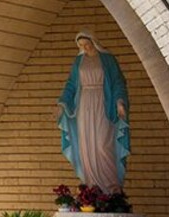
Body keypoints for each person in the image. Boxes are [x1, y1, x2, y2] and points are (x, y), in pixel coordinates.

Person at [55, 30, 129, 193]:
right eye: (81, 45)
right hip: (84, 104)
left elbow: (117, 82)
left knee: (103, 144)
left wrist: (119, 102)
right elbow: (71, 85)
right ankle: (92, 188)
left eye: (87, 44)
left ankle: (111, 188)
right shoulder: (79, 61)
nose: (85, 47)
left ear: (93, 42)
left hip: (103, 103)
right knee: (86, 145)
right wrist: (62, 104)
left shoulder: (108, 60)